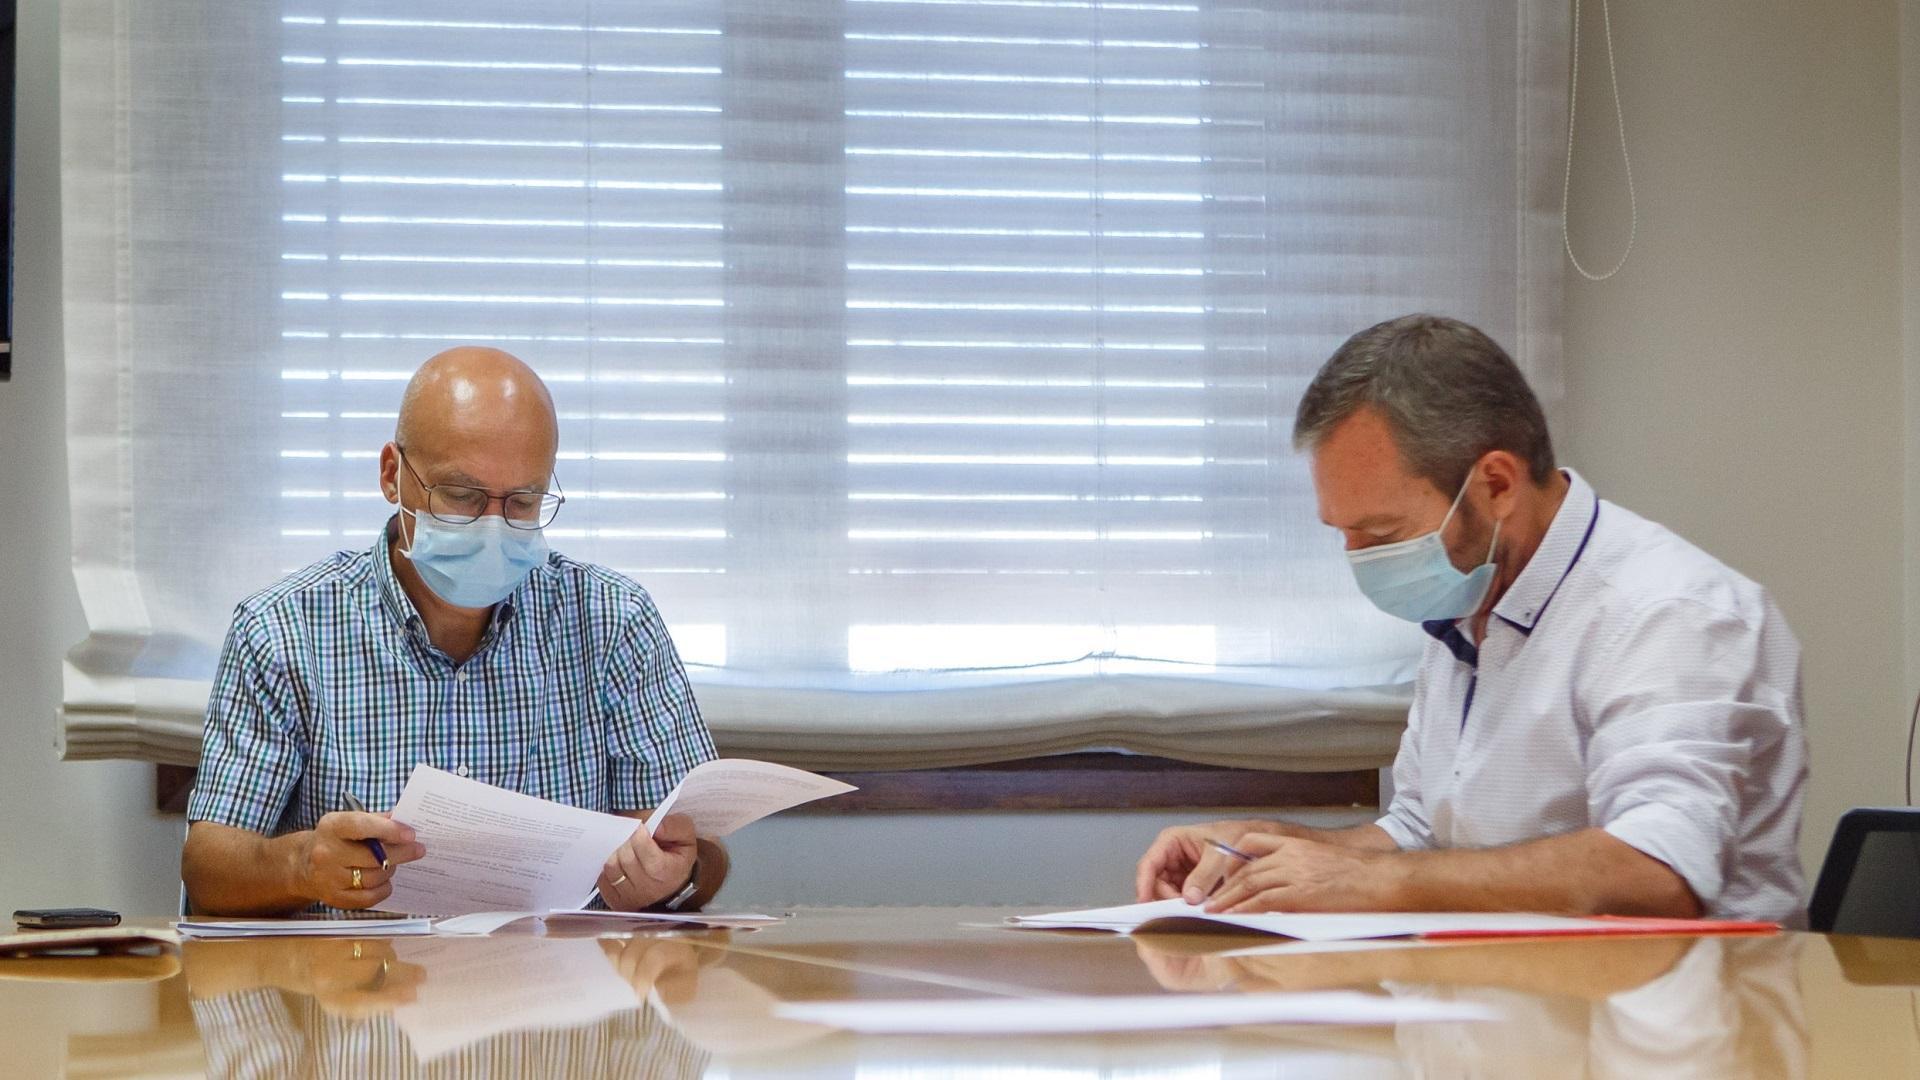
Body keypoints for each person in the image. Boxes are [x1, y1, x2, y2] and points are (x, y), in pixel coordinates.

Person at [1135, 314, 1808, 924]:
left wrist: (1372, 883)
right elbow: (1421, 835)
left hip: (1677, 1036)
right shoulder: (1471, 599)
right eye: (1343, 534)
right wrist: (1264, 851)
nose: (1359, 560)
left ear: (1496, 484)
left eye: (1381, 533)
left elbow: (1658, 870)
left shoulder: (1669, 612)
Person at [182, 347, 725, 916]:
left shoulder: (614, 620)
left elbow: (702, 852)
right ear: (392, 475)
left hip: (559, 991)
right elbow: (208, 869)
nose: (491, 526)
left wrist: (674, 875)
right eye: (461, 496)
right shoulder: (282, 629)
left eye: (523, 501)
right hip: (360, 988)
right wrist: (299, 866)